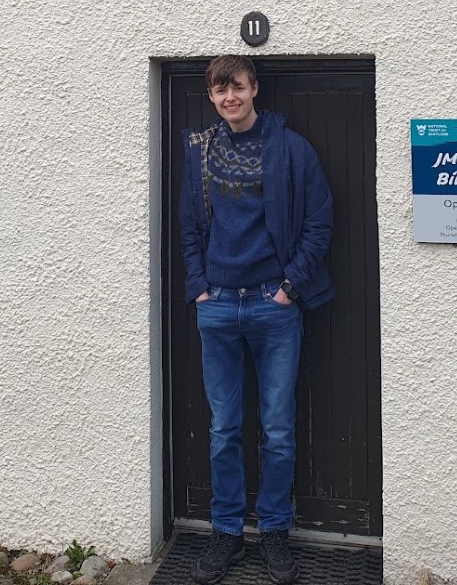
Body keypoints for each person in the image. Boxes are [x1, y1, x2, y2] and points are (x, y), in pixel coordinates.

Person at [178, 55, 335, 585]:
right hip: (217, 304)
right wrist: (198, 287)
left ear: (254, 89)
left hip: (273, 304)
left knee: (277, 429)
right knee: (224, 428)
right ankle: (226, 533)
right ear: (212, 97)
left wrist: (290, 287)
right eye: (220, 91)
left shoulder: (290, 149)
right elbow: (188, 227)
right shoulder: (201, 153)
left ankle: (273, 533)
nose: (230, 98)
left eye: (238, 88)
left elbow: (319, 221)